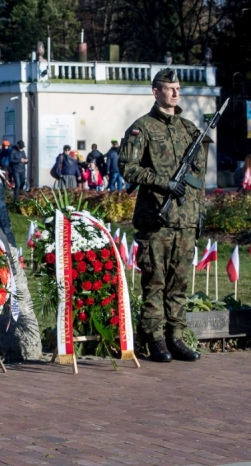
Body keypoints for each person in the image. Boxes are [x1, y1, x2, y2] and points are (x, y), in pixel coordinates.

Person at [119, 68, 204, 363]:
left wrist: (198, 214)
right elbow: (127, 168)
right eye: (170, 88)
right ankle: (155, 340)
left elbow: (198, 178)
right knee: (154, 282)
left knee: (179, 283)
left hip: (185, 221)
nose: (176, 93)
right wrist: (162, 182)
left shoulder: (189, 129)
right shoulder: (141, 128)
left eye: (178, 88)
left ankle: (176, 337)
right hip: (157, 220)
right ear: (155, 92)